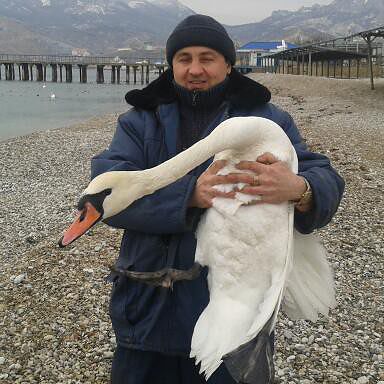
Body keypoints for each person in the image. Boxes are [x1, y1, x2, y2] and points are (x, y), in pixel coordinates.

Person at [91, 14, 344, 384]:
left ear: (228, 63)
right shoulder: (139, 123)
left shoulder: (267, 122)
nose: (195, 69)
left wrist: (301, 189)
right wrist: (188, 196)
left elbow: (326, 177)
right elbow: (109, 197)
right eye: (184, 59)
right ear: (171, 64)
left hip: (230, 316)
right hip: (148, 309)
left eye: (207, 58)